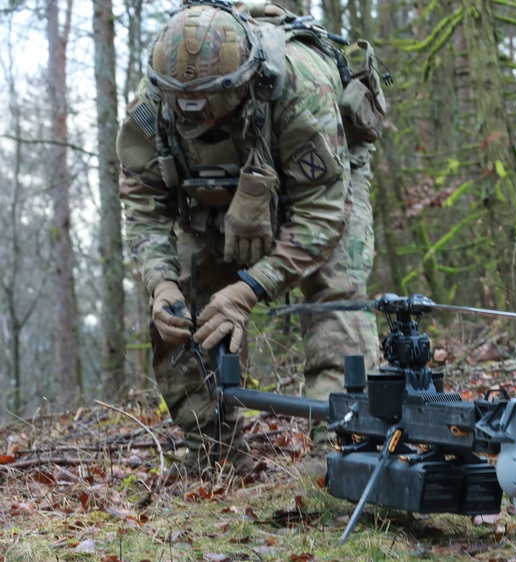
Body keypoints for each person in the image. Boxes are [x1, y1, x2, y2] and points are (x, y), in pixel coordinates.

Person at [117, 0, 385, 477]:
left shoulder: (301, 88)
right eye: (187, 111)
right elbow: (142, 202)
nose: (197, 122)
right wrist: (161, 283)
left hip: (319, 189)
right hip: (214, 198)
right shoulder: (151, 104)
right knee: (179, 317)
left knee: (335, 300)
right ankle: (214, 453)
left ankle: (345, 450)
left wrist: (248, 291)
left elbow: (323, 212)